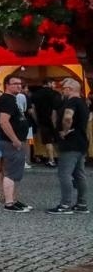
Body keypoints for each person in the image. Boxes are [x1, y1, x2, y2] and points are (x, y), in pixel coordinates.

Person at [49, 77, 89, 214]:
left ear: (70, 89)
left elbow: (67, 117)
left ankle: (65, 204)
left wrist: (65, 131)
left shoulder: (71, 102)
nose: (62, 91)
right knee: (79, 174)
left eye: (64, 88)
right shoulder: (83, 102)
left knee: (64, 174)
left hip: (70, 142)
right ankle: (82, 204)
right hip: (81, 141)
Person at [0, 75, 32, 212]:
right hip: (10, 142)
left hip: (15, 141)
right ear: (7, 85)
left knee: (16, 172)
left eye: (20, 83)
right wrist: (15, 140)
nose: (19, 86)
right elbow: (3, 121)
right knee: (11, 172)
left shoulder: (12, 99)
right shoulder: (6, 100)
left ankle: (14, 199)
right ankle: (9, 203)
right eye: (15, 83)